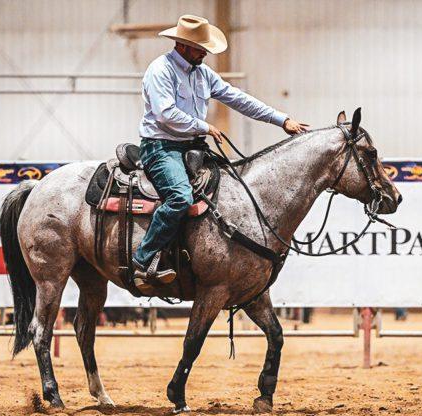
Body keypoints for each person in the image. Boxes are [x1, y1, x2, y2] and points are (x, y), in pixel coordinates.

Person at [132, 14, 309, 291]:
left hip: (192, 147)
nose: (205, 52)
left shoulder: (203, 74)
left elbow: (238, 98)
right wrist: (204, 126)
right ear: (182, 45)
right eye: (200, 47)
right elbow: (165, 114)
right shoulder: (160, 70)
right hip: (161, 146)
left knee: (232, 189)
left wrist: (280, 119)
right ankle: (143, 259)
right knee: (180, 197)